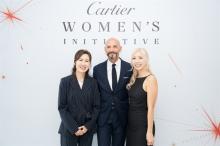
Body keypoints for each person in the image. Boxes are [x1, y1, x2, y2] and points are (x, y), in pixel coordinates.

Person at [93, 37, 132, 146]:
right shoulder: (97, 69)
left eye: (115, 46)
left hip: (121, 118)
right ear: (105, 49)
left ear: (120, 48)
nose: (112, 49)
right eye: (108, 46)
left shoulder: (129, 68)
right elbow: (95, 95)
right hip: (103, 118)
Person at [58, 49, 100, 146]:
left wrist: (87, 126)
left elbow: (97, 107)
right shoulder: (65, 82)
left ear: (89, 64)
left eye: (87, 61)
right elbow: (62, 107)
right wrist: (74, 128)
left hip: (86, 129)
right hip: (68, 129)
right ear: (75, 61)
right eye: (80, 60)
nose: (83, 63)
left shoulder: (93, 83)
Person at [126, 48, 158, 146]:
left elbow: (151, 108)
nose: (137, 61)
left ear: (146, 60)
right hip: (131, 125)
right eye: (134, 58)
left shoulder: (151, 79)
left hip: (143, 126)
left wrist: (149, 132)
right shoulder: (133, 78)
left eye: (140, 58)